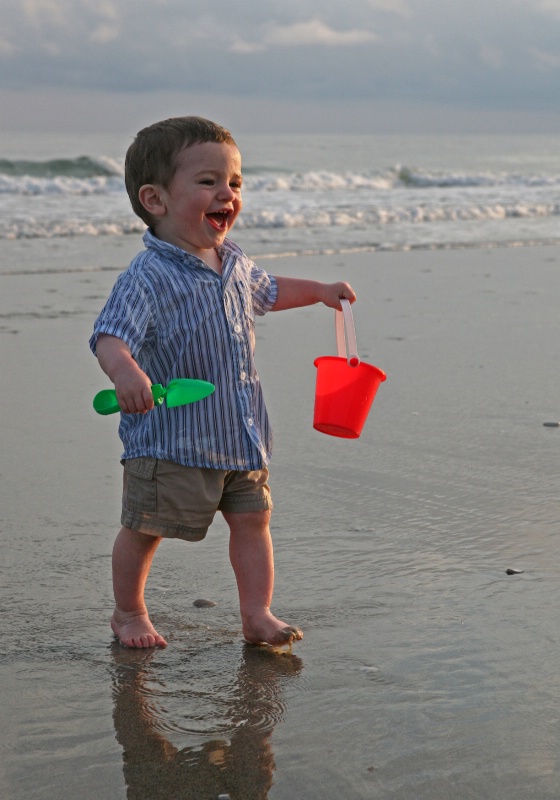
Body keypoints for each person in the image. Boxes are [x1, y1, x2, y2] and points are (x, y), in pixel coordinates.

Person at [90, 116, 356, 649]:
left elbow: (270, 290)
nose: (227, 194)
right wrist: (126, 372)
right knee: (144, 528)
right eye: (208, 181)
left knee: (254, 524)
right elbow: (108, 335)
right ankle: (128, 612)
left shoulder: (233, 262)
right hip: (171, 439)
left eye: (235, 182)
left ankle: (257, 614)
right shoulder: (148, 276)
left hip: (241, 434)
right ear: (156, 199)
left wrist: (321, 290)